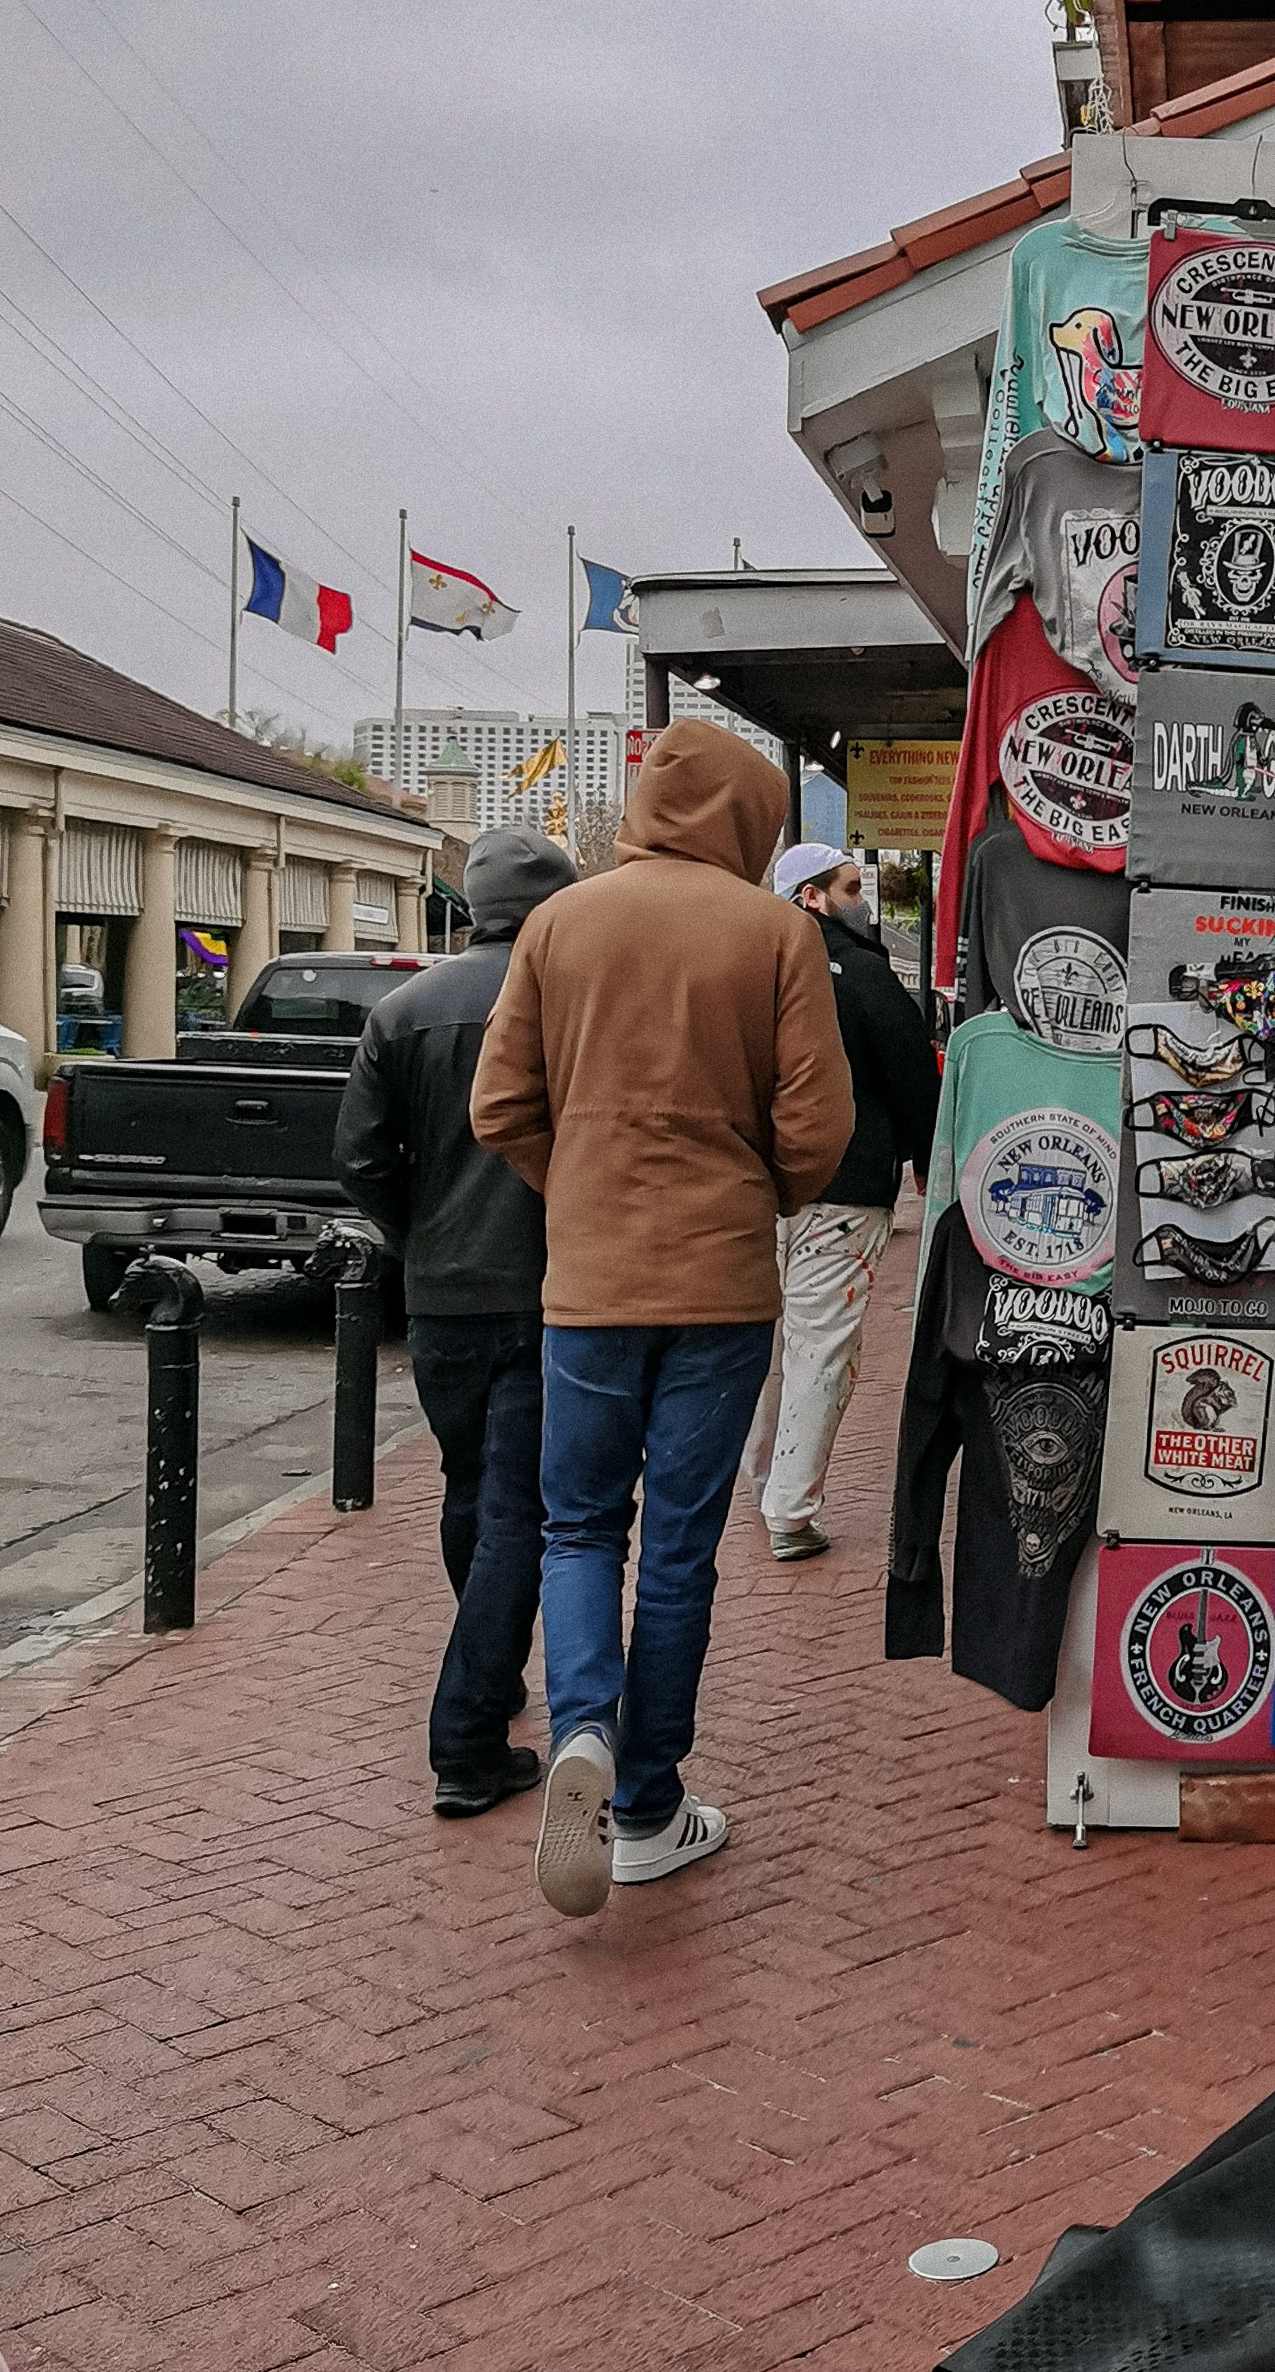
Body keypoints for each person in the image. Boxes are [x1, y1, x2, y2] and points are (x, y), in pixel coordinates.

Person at [472, 723, 852, 1918]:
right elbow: (818, 1129)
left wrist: (580, 1184)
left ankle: (583, 1718)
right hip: (723, 1284)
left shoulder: (558, 923)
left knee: (580, 1527)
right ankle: (647, 1806)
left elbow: (500, 1107)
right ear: (750, 821)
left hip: (587, 1286)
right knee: (681, 1551)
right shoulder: (776, 933)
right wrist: (756, 1195)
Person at [333, 830, 577, 1818]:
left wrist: (415, 1232)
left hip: (441, 1295)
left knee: (470, 1486)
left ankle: (492, 1664)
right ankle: (469, 1735)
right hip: (543, 1286)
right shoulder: (565, 1001)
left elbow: (359, 1159)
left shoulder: (402, 1011)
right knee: (520, 1506)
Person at [757, 846, 940, 1560]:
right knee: (821, 1344)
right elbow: (912, 1079)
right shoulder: (864, 976)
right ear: (814, 896)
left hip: (759, 1187)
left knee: (761, 1341)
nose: (863, 900)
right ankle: (790, 1509)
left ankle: (762, 1485)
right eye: (852, 887)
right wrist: (927, 1161)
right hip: (847, 1186)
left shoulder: (753, 971)